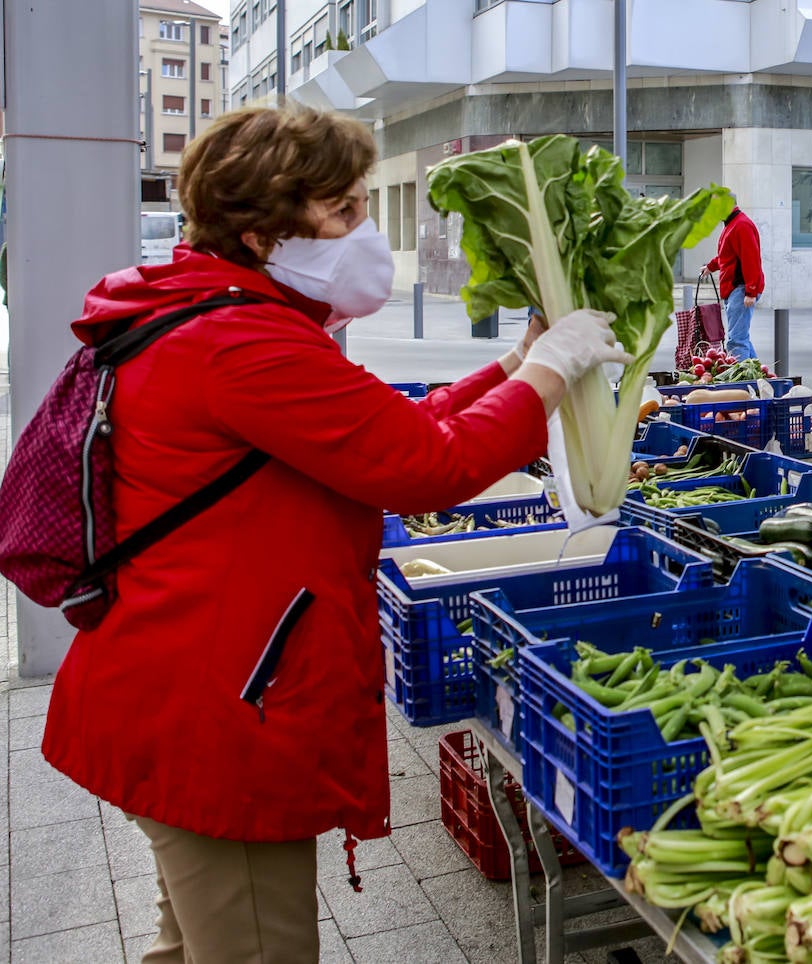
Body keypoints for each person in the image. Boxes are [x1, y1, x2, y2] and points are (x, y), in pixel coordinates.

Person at [40, 105, 631, 963]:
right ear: (263, 229)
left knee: (191, 944)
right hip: (216, 714)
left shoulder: (224, 313)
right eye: (345, 210)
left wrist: (509, 368)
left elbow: (382, 430)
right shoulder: (241, 342)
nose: (365, 230)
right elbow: (427, 468)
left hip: (179, 688)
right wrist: (549, 372)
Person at [703, 197, 764, 360]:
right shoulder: (733, 224)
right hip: (736, 289)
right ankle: (760, 378)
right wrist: (710, 266)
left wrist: (751, 291)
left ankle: (742, 383)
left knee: (737, 341)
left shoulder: (741, 225)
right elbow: (727, 256)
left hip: (740, 289)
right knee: (741, 338)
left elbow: (751, 260)